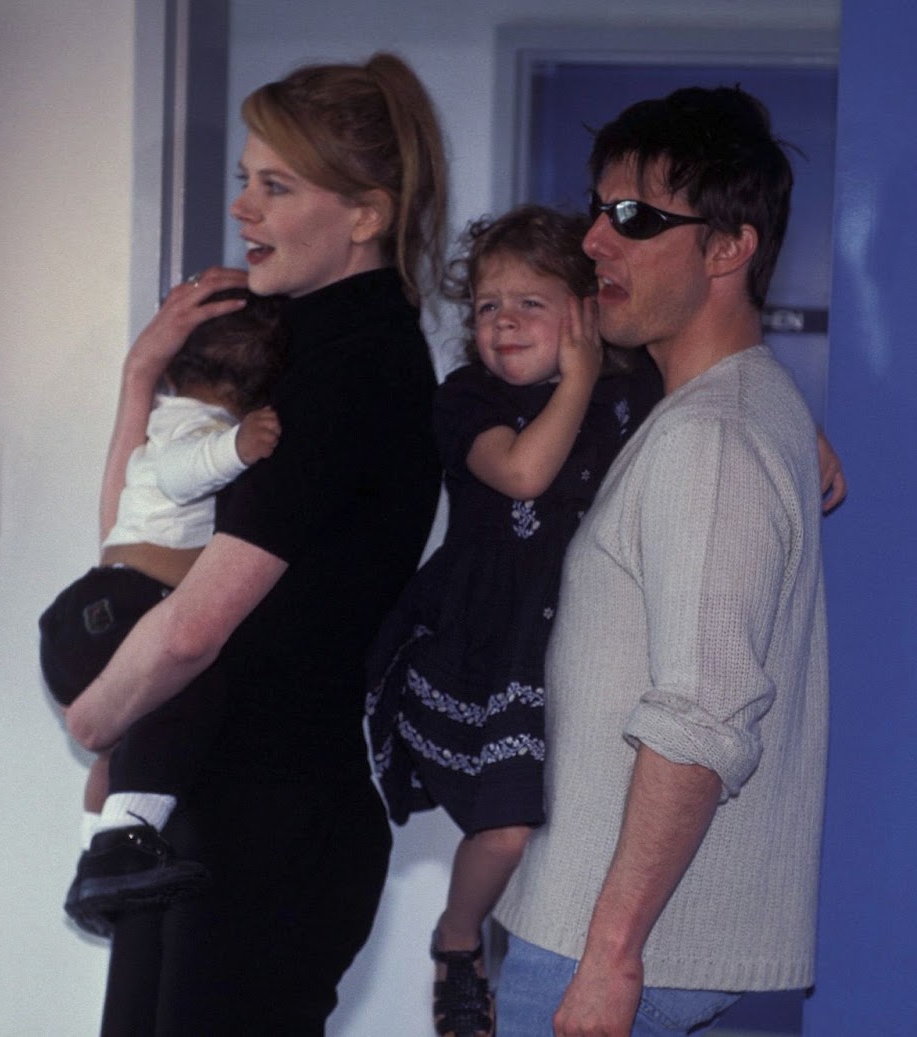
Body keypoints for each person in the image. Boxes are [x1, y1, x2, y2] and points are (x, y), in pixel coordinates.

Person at [63, 52, 445, 1034]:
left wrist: (96, 715)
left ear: (365, 212)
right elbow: (136, 542)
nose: (243, 209)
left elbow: (192, 626)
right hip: (208, 802)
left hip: (273, 822)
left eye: (275, 186)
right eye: (245, 179)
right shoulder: (287, 342)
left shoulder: (353, 371)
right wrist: (141, 379)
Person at [493, 86, 832, 1037]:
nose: (596, 240)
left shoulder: (711, 442)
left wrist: (609, 959)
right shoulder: (729, 415)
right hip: (664, 954)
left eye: (634, 218)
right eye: (595, 211)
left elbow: (702, 714)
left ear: (729, 248)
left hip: (630, 962)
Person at [363, 205, 661, 1037]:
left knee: (575, 828)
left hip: (574, 645)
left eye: (531, 302)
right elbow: (524, 475)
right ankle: (459, 937)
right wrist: (576, 376)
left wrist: (803, 433)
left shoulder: (634, 394)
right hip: (479, 647)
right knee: (502, 831)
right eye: (489, 305)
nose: (504, 321)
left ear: (586, 309)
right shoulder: (467, 397)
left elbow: (710, 405)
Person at [39, 289, 285, 938]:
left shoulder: (163, 412)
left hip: (92, 612)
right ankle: (125, 846)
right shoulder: (192, 426)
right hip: (123, 610)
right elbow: (182, 472)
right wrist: (237, 445)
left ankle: (94, 855)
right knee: (190, 689)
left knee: (119, 756)